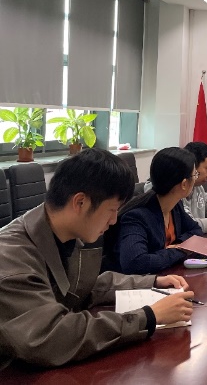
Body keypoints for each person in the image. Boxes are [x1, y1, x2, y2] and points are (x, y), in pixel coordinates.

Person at [0, 149, 193, 368]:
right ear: (80, 202)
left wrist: (153, 282)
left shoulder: (64, 234)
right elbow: (52, 337)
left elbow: (85, 285)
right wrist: (148, 317)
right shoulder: (11, 257)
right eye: (111, 210)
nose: (113, 221)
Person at [118, 147, 203, 275]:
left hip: (169, 274)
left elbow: (196, 231)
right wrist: (180, 251)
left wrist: (179, 245)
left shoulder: (175, 206)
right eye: (195, 174)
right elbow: (135, 263)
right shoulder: (137, 217)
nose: (196, 179)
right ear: (184, 184)